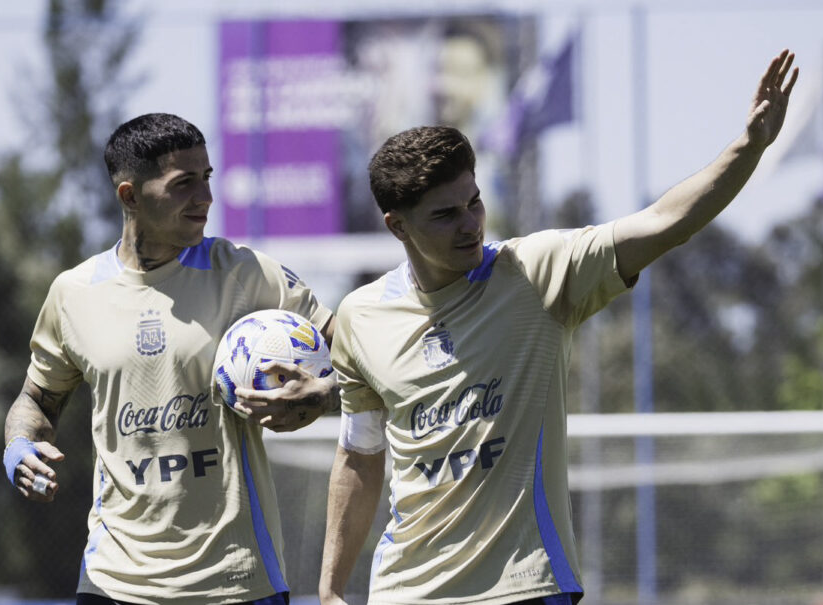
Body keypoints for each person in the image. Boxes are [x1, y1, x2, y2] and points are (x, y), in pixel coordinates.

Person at [318, 50, 798, 605]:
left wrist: (748, 147)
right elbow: (359, 453)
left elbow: (666, 222)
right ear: (396, 226)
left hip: (524, 586)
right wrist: (330, 589)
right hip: (404, 592)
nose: (471, 224)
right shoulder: (360, 315)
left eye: (473, 203)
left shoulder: (537, 272)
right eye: (445, 215)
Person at [2, 113, 338, 604]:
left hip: (236, 581)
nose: (205, 198)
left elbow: (358, 354)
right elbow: (36, 400)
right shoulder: (73, 294)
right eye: (184, 184)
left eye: (207, 179)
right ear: (129, 195)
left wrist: (324, 393)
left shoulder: (245, 274)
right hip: (112, 581)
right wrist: (18, 450)